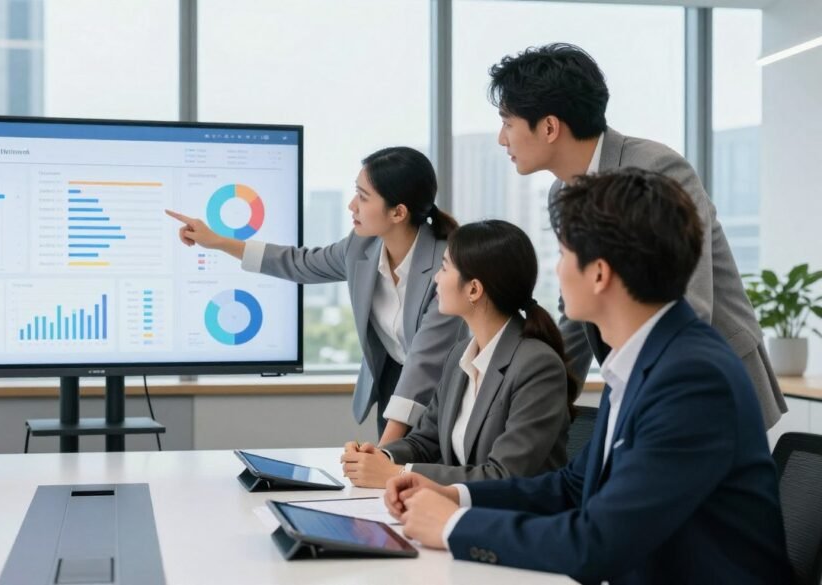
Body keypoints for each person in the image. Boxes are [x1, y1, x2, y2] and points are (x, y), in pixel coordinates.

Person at [384, 169, 792, 584]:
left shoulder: (692, 378)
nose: (557, 273)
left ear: (599, 273)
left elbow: (596, 545)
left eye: (563, 255)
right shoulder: (645, 358)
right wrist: (453, 495)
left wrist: (453, 526)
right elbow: (573, 487)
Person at [487, 42, 786, 428]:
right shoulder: (561, 192)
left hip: (705, 382)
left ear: (548, 127)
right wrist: (547, 401)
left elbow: (689, 303)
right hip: (642, 385)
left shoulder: (654, 169)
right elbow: (576, 313)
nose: (501, 138)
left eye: (507, 122)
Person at [166, 146, 466, 442]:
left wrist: (385, 451)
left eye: (363, 197)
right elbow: (300, 263)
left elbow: (424, 366)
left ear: (398, 212)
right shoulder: (361, 247)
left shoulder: (447, 266)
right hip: (393, 384)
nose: (352, 205)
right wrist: (218, 241)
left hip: (446, 394)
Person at [340, 220, 575, 488]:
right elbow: (425, 440)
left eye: (444, 268)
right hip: (464, 514)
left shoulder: (536, 365)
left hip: (518, 520)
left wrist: (397, 475)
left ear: (473, 289)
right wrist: (380, 457)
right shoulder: (460, 355)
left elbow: (504, 476)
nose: (435, 278)